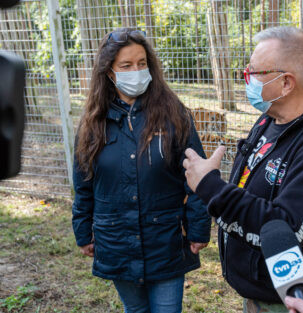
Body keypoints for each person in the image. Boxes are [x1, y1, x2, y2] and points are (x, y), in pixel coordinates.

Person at [183, 26, 303, 313]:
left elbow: (284, 229)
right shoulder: (269, 120)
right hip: (260, 293)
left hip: (292, 304)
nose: (245, 79)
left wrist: (211, 187)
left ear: (286, 83)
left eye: (253, 73)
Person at [72, 28, 211, 313]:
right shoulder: (92, 123)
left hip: (166, 242)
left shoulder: (175, 114)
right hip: (115, 241)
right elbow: (84, 183)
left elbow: (197, 175)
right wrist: (83, 231)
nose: (135, 71)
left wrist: (198, 228)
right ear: (109, 72)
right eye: (126, 66)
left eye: (141, 63)